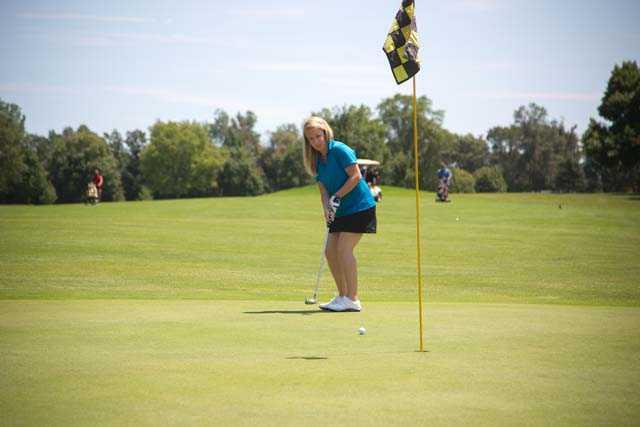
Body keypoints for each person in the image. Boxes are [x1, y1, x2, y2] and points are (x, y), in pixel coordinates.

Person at [302, 116, 377, 312]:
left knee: (344, 249)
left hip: (359, 206)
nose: (315, 141)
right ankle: (343, 296)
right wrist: (327, 209)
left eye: (318, 136)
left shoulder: (340, 150)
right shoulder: (316, 160)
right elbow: (323, 190)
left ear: (325, 133)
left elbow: (356, 176)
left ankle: (353, 298)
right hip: (339, 209)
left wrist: (337, 196)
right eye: (311, 139)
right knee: (330, 251)